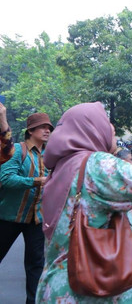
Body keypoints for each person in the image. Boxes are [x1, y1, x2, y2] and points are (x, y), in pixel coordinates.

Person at [36, 99, 132, 302]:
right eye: (105, 123)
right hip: (94, 290)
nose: (111, 129)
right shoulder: (94, 165)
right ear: (91, 129)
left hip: (59, 287)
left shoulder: (63, 167)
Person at [0, 112, 54, 304]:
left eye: (49, 127)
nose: (47, 130)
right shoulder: (17, 150)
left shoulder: (50, 155)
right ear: (30, 131)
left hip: (37, 219)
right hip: (9, 217)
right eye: (42, 127)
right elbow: (6, 179)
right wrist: (38, 181)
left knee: (36, 267)